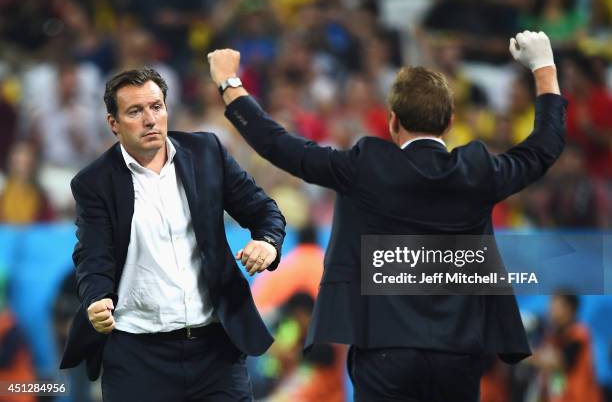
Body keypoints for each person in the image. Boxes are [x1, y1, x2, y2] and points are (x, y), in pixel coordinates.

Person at [208, 30, 567, 402]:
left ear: (393, 122)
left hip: (385, 357)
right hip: (458, 358)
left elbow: (279, 146)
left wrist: (229, 84)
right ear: (449, 123)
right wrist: (543, 66)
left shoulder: (366, 166)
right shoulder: (478, 171)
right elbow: (543, 148)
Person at [59, 68, 286, 402]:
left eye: (156, 106)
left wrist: (267, 242)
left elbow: (264, 211)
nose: (150, 119)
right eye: (135, 111)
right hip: (137, 358)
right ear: (114, 124)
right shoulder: (94, 183)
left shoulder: (207, 152)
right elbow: (93, 255)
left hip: (215, 352)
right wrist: (96, 298)